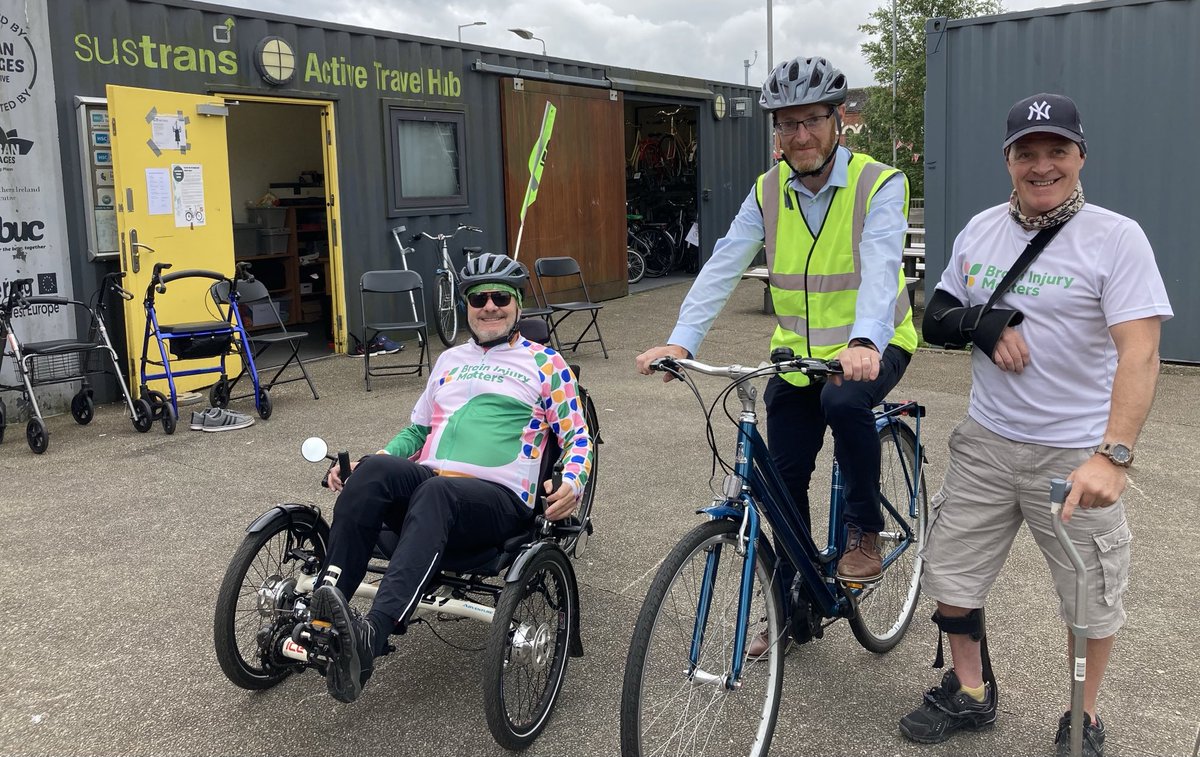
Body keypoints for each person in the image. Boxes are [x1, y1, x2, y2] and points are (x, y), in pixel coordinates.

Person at [899, 93, 1172, 757]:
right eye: (1028, 151)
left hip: (1074, 452)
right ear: (1009, 160)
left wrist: (1114, 454)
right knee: (951, 577)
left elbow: (1140, 351)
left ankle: (1084, 716)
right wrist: (983, 325)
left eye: (1056, 150)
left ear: (1080, 156)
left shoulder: (1116, 237)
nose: (1041, 164)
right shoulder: (981, 230)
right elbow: (935, 315)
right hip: (987, 444)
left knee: (1090, 599)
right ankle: (968, 691)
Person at [635, 55, 918, 655]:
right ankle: (792, 609)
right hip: (796, 357)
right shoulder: (766, 191)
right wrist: (682, 340)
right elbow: (723, 264)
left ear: (837, 121)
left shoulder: (879, 183)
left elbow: (882, 262)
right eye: (786, 124)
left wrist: (866, 340)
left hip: (876, 346)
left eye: (811, 120)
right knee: (782, 484)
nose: (799, 135)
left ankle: (864, 529)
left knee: (845, 402)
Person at [304, 253, 593, 704]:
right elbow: (418, 431)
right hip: (431, 487)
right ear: (466, 305)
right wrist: (372, 459)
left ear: (518, 305)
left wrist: (573, 481)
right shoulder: (449, 360)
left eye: (501, 297)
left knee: (438, 491)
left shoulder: (547, 363)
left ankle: (370, 640)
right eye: (479, 298)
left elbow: (578, 437)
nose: (490, 306)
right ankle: (325, 613)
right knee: (376, 470)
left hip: (498, 501)